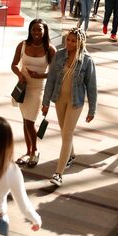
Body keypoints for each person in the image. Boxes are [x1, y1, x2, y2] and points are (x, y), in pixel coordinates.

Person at [41, 28, 97, 187]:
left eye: (74, 40)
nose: (70, 43)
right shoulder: (59, 55)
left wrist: (92, 109)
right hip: (59, 99)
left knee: (67, 133)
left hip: (75, 102)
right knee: (64, 130)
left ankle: (58, 173)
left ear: (81, 42)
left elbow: (92, 86)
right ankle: (71, 155)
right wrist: (45, 102)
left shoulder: (87, 60)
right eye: (69, 40)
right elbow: (51, 79)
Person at [10, 19, 55, 168]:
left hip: (37, 89)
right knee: (25, 120)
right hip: (23, 88)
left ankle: (35, 151)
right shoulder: (22, 45)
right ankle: (28, 151)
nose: (36, 33)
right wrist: (20, 75)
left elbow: (55, 73)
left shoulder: (50, 49)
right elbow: (14, 65)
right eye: (34, 30)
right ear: (30, 30)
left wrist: (40, 76)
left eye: (39, 30)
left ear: (44, 31)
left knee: (30, 122)